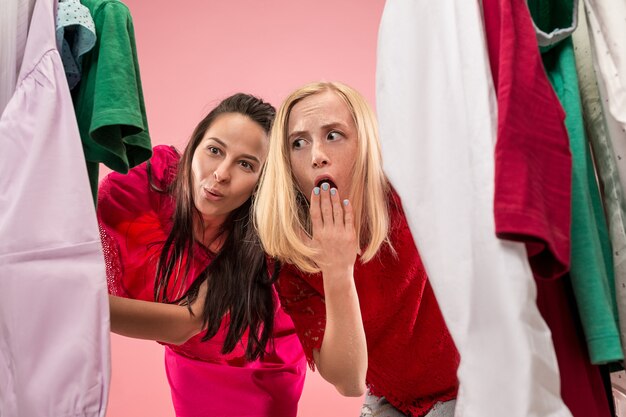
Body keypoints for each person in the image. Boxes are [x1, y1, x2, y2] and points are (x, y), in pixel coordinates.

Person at [254, 82, 459, 417]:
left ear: (363, 143)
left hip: (472, 386)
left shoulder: (407, 189)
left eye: (333, 135)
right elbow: (349, 382)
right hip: (393, 398)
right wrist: (337, 268)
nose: (317, 155)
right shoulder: (291, 256)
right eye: (299, 143)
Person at [98, 93, 306, 417]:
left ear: (262, 183)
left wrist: (73, 306)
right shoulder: (157, 181)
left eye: (245, 164)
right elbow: (89, 223)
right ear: (196, 145)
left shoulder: (263, 237)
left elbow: (186, 323)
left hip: (262, 370)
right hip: (190, 363)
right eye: (215, 150)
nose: (221, 173)